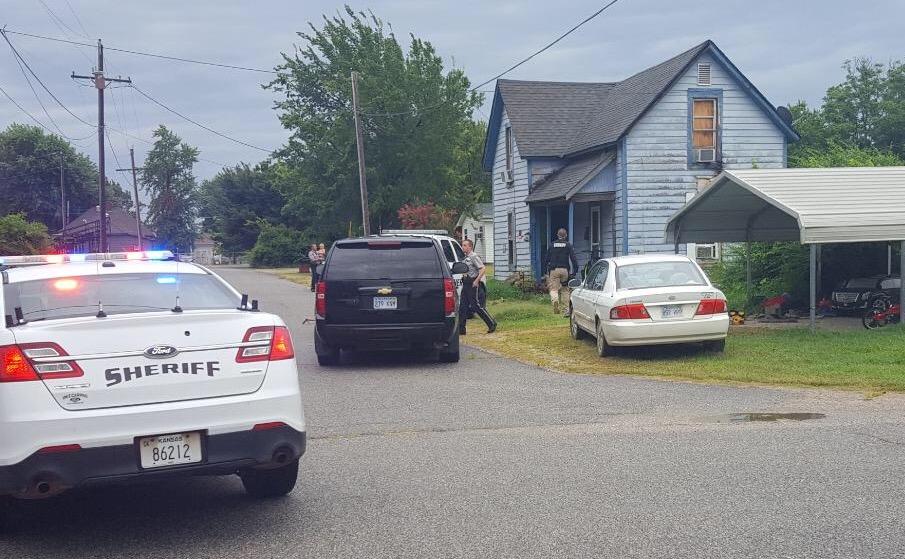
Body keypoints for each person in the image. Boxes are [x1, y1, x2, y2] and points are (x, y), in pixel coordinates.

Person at [459, 239, 496, 335]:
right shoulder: (465, 257)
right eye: (462, 245)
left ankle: (491, 323)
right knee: (462, 307)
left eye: (464, 245)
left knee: (476, 306)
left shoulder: (474, 256)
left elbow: (483, 268)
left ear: (470, 247)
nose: (462, 247)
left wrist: (476, 280)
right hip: (466, 284)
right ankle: (461, 329)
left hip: (473, 283)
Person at [544, 228, 578, 316]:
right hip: (564, 270)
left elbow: (546, 259)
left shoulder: (552, 245)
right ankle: (566, 310)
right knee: (565, 290)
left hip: (554, 270)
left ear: (557, 235)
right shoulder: (568, 245)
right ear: (566, 235)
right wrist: (575, 271)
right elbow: (573, 259)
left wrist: (546, 270)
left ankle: (555, 302)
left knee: (554, 289)